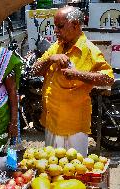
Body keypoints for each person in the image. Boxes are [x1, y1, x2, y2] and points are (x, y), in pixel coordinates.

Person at [32, 6, 114, 156]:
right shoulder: (57, 46)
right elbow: (34, 70)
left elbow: (108, 79)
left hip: (73, 126)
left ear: (75, 25)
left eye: (60, 26)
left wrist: (78, 74)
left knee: (74, 173)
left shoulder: (89, 50)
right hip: (51, 121)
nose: (56, 30)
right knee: (52, 170)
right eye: (55, 26)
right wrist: (50, 59)